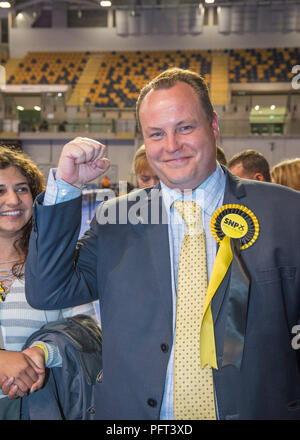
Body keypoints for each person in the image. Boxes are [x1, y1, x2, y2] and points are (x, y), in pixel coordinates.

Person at [25, 68, 300, 420]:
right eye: (156, 133)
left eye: (185, 127)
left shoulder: (286, 212)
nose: (171, 146)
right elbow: (48, 290)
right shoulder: (115, 219)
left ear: (213, 126)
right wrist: (65, 188)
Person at [0, 146, 99, 419]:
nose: (13, 200)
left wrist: (44, 353)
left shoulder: (54, 265)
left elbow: (89, 333)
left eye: (22, 189)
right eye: (0, 190)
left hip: (40, 408)